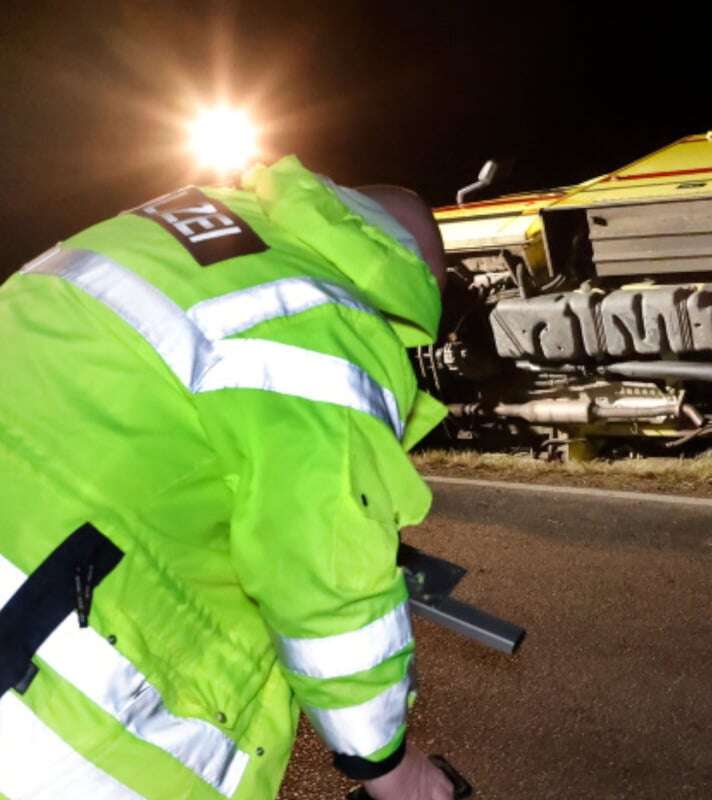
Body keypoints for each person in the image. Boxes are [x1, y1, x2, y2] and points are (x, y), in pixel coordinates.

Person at [0, 155, 455, 799]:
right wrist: (388, 767)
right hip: (40, 687)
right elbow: (325, 581)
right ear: (412, 270)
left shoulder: (152, 234)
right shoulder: (326, 319)